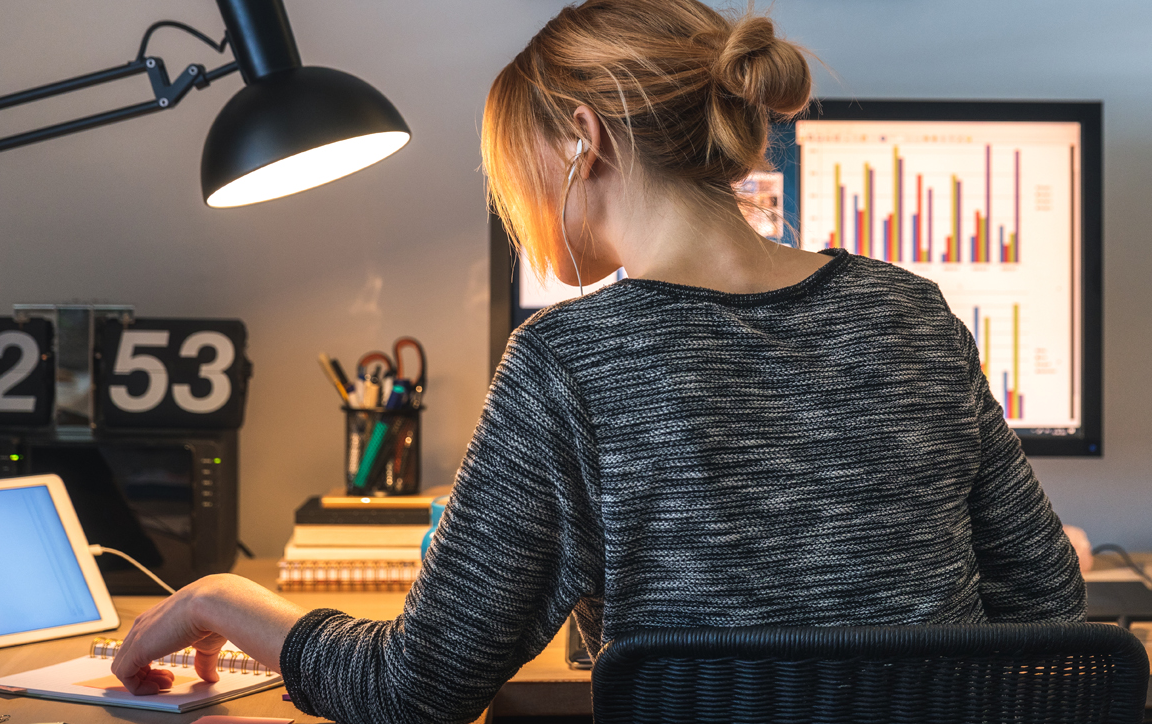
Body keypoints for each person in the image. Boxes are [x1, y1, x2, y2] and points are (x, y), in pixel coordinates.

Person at [111, 1, 1086, 721]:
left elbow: (418, 688)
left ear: (584, 136)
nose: (518, 212)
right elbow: (1046, 598)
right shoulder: (909, 309)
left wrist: (220, 598)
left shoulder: (567, 361)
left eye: (514, 174)